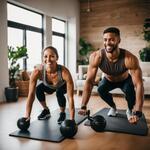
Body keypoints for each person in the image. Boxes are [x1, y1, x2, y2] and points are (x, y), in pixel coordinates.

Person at [78, 27, 144, 124]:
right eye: (105, 40)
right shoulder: (96, 57)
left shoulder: (129, 58)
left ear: (119, 40)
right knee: (101, 89)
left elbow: (139, 85)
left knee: (130, 92)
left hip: (125, 80)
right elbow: (89, 81)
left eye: (112, 39)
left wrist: (138, 112)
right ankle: (113, 107)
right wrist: (83, 106)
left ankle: (129, 110)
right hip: (109, 80)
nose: (108, 42)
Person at [24, 46, 75, 124]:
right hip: (49, 86)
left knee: (59, 92)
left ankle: (62, 113)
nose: (48, 59)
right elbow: (31, 95)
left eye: (52, 56)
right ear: (43, 58)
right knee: (38, 89)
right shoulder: (37, 72)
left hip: (62, 86)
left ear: (57, 58)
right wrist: (27, 116)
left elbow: (70, 97)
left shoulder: (64, 72)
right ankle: (46, 110)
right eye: (45, 56)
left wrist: (72, 119)